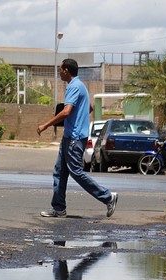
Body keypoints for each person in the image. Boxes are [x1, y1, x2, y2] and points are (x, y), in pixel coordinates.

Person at [37, 59, 117, 218]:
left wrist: (45, 125)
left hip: (74, 138)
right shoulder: (80, 86)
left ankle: (108, 197)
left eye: (60, 69)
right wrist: (79, 119)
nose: (59, 72)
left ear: (66, 70)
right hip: (70, 136)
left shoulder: (73, 86)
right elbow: (90, 107)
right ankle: (59, 208)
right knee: (60, 172)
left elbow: (66, 112)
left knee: (76, 172)